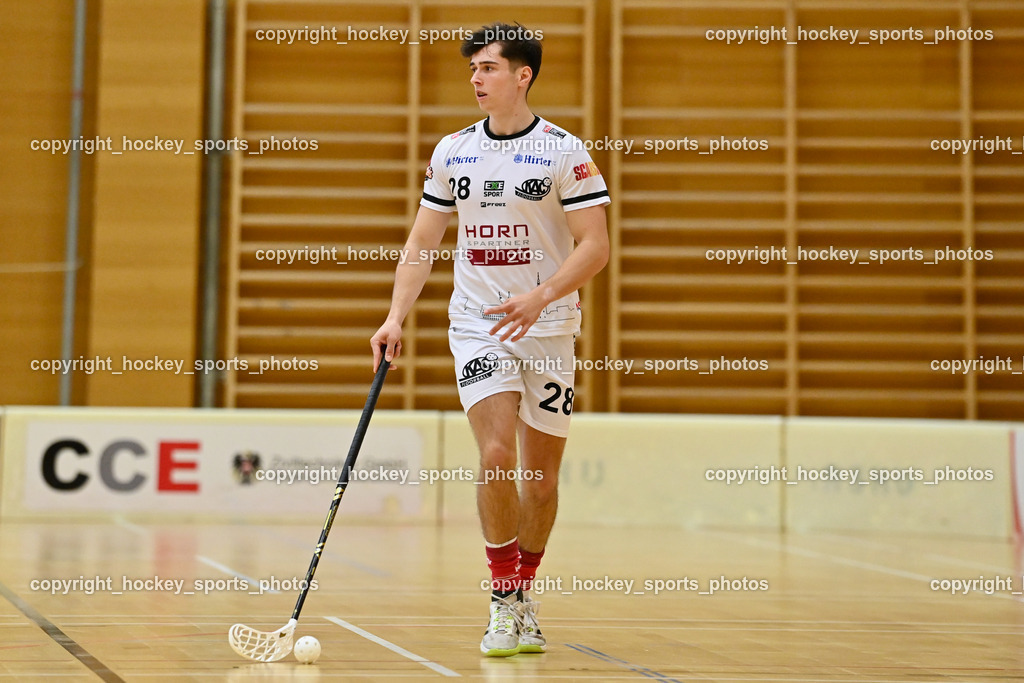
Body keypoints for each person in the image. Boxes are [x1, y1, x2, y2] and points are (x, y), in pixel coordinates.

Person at [370, 22, 610, 657]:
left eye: (488, 68)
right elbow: (422, 244)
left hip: (550, 327)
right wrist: (395, 316)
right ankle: (504, 600)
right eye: (473, 69)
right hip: (477, 324)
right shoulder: (453, 151)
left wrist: (541, 296)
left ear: (522, 75)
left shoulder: (565, 152)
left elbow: (596, 246)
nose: (475, 78)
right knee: (498, 454)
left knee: (542, 480)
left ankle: (524, 592)